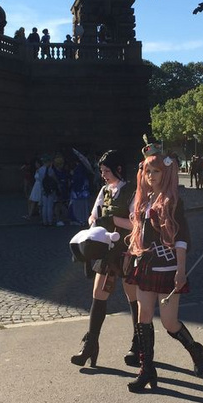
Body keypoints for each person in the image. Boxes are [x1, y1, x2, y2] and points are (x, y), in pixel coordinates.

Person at [125, 143, 203, 392]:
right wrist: (130, 253)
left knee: (169, 324)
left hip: (168, 268)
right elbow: (138, 233)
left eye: (156, 172)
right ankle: (147, 370)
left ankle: (195, 349)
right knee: (143, 318)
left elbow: (181, 238)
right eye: (148, 172)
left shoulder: (173, 202)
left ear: (166, 173)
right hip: (146, 266)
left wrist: (181, 271)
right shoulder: (143, 200)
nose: (151, 177)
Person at [70, 150, 140, 368]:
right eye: (102, 171)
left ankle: (138, 344)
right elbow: (94, 214)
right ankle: (91, 344)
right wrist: (94, 221)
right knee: (98, 294)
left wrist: (113, 219)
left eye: (107, 171)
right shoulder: (104, 190)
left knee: (133, 296)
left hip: (127, 248)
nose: (104, 175)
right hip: (107, 249)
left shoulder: (132, 192)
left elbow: (136, 224)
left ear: (119, 169)